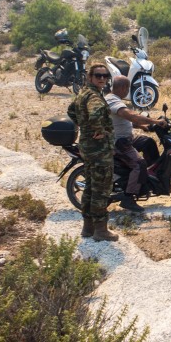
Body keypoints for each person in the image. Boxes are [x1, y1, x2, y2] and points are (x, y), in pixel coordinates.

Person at [66, 63, 119, 242]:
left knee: (90, 187)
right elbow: (95, 114)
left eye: (105, 76)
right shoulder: (94, 97)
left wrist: (84, 126)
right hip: (99, 150)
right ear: (90, 77)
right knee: (101, 189)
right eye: (98, 76)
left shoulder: (83, 94)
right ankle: (100, 230)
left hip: (87, 148)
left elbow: (71, 111)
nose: (102, 79)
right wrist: (99, 129)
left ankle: (87, 227)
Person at [106, 76, 167, 213]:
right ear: (123, 88)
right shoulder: (112, 100)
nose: (128, 91)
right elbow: (130, 115)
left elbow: (126, 121)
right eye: (128, 88)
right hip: (119, 142)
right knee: (139, 164)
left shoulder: (116, 100)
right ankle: (128, 198)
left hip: (127, 137)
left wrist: (143, 126)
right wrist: (155, 122)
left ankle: (149, 179)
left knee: (148, 142)